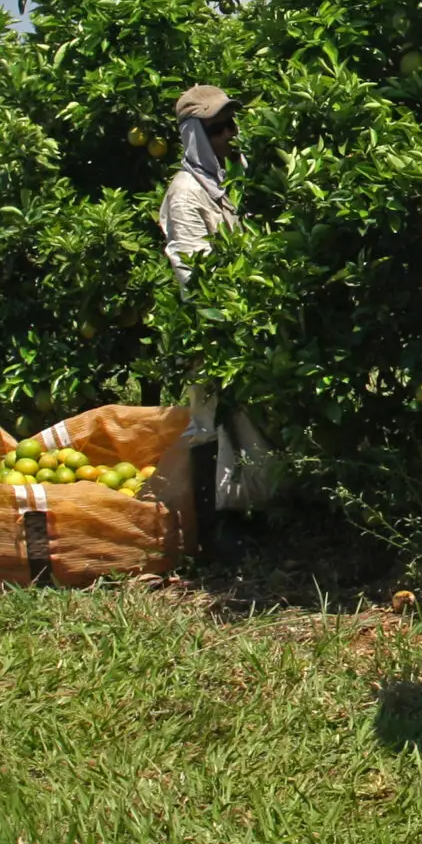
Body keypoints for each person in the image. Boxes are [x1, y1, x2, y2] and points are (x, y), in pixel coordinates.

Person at [158, 84, 271, 539]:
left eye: (231, 124)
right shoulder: (186, 194)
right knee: (211, 426)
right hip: (213, 333)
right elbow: (194, 273)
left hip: (240, 327)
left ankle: (249, 518)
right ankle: (214, 533)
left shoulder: (228, 183)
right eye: (217, 127)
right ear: (195, 136)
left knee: (244, 431)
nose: (230, 134)